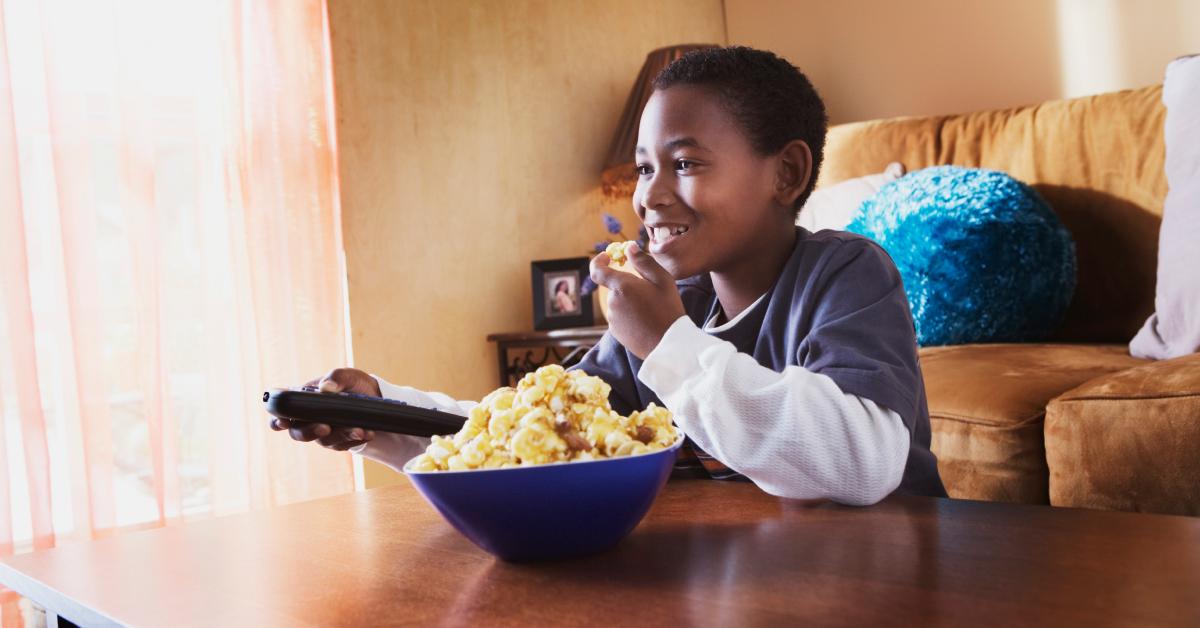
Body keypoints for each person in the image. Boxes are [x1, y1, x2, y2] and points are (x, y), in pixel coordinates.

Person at [271, 46, 946, 505]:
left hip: (883, 576)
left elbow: (866, 463)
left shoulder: (845, 274)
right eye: (645, 168)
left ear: (786, 173)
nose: (648, 196)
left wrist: (669, 344)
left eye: (684, 164)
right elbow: (538, 433)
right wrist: (379, 415)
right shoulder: (675, 307)